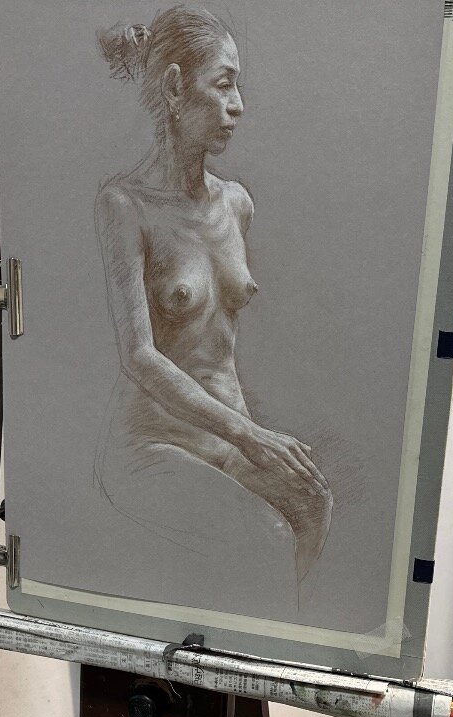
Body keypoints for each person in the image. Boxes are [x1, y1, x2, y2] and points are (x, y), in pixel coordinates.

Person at [94, 6, 332, 596]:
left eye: (238, 86)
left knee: (313, 503)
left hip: (228, 439)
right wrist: (250, 436)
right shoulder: (125, 206)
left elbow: (217, 344)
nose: (238, 105)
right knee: (264, 536)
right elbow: (139, 356)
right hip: (154, 443)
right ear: (176, 88)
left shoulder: (237, 204)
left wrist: (248, 436)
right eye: (223, 85)